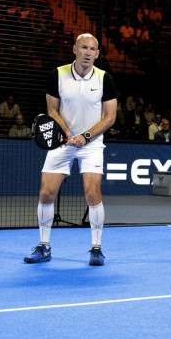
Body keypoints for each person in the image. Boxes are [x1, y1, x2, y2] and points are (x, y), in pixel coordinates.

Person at [24, 33, 120, 266]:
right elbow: (52, 110)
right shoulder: (57, 75)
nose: (88, 52)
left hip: (92, 143)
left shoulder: (105, 79)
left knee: (92, 192)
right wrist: (66, 134)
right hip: (62, 141)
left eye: (92, 49)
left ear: (97, 54)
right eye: (83, 47)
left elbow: (109, 118)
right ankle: (44, 246)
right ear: (74, 49)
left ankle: (96, 248)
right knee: (46, 192)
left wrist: (85, 137)